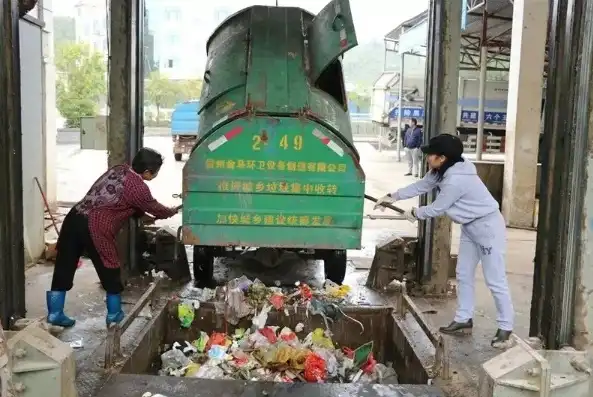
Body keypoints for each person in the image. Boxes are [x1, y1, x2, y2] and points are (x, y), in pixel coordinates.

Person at [374, 134, 514, 346]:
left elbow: (439, 208)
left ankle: (506, 327)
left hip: (488, 228)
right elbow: (422, 185)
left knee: (494, 279)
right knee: (463, 273)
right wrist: (392, 196)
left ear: (443, 158)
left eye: (431, 155)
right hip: (470, 227)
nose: (428, 158)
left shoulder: (456, 180)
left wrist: (415, 213)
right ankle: (463, 318)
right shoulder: (443, 170)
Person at [46, 148, 181, 328]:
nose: (155, 175)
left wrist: (141, 214)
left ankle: (55, 314)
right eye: (155, 172)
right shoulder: (139, 187)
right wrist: (171, 211)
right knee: (110, 266)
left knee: (65, 264)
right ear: (148, 172)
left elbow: (125, 201)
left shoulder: (119, 169)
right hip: (95, 225)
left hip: (74, 218)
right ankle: (114, 315)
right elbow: (154, 207)